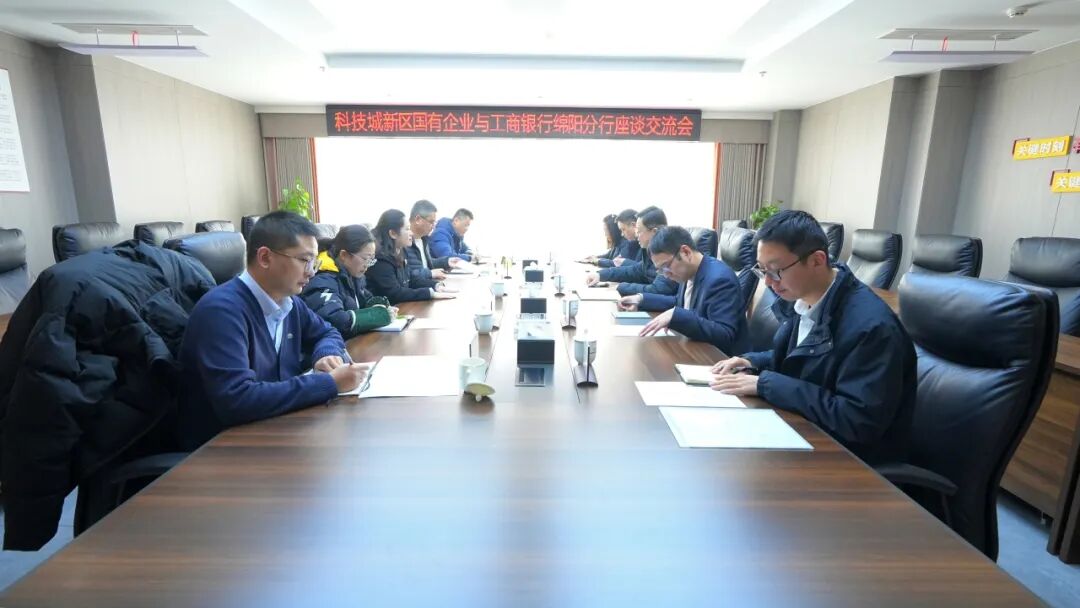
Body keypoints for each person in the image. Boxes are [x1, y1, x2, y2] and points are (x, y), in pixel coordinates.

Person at [709, 210, 916, 465]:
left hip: (848, 462)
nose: (769, 283)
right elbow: (807, 358)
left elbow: (857, 420)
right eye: (762, 270)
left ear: (817, 260)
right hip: (804, 434)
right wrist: (751, 361)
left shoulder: (872, 328)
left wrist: (766, 384)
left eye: (776, 271)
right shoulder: (805, 297)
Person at [177, 211, 369, 449]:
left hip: (277, 429)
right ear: (265, 257)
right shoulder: (221, 311)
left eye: (314, 262)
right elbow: (237, 400)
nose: (311, 271)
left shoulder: (289, 302)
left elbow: (327, 332)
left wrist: (326, 353)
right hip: (222, 451)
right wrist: (329, 383)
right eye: (304, 260)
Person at [618, 226, 747, 354]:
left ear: (686, 252)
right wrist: (641, 299)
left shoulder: (719, 279)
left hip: (719, 359)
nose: (666, 275)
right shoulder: (690, 271)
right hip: (695, 348)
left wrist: (677, 316)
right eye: (661, 270)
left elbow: (724, 334)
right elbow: (681, 302)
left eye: (666, 266)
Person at [302, 224, 399, 338]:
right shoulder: (323, 278)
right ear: (344, 255)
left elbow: (364, 298)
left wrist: (378, 306)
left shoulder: (352, 273)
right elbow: (333, 319)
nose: (367, 265)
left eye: (371, 259)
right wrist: (376, 316)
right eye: (365, 259)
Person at [366, 209, 457, 304]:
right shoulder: (381, 259)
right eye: (407, 229)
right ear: (393, 233)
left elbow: (411, 279)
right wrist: (429, 293)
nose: (411, 233)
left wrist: (436, 286)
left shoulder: (401, 251)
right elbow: (395, 293)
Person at [585, 205, 677, 295]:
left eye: (639, 231)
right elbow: (633, 271)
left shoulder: (668, 255)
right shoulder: (650, 252)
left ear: (654, 232)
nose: (637, 235)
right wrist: (600, 275)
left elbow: (658, 289)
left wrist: (620, 287)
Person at [405, 199, 464, 281]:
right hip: (421, 287)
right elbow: (409, 276)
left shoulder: (424, 239)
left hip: (428, 284)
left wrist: (446, 262)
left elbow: (425, 264)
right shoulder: (404, 243)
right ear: (418, 219)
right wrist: (431, 274)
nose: (433, 226)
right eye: (431, 222)